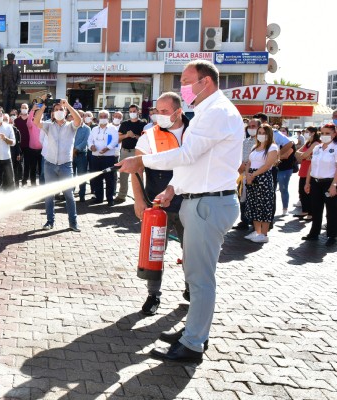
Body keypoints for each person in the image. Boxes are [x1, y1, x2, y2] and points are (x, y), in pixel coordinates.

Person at [117, 60, 242, 363]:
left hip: (208, 203)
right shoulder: (206, 112)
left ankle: (193, 343)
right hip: (199, 200)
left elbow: (187, 154)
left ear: (206, 82)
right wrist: (173, 189)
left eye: (187, 81)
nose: (183, 87)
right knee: (195, 274)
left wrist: (142, 162)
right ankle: (193, 331)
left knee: (200, 280)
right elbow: (197, 162)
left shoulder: (216, 112)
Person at [132, 92, 190, 315]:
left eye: (165, 112)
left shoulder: (193, 132)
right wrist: (138, 200)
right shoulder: (149, 135)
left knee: (191, 251)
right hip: (157, 203)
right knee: (154, 251)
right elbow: (137, 168)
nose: (159, 116)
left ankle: (190, 290)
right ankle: (153, 295)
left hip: (188, 201)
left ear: (178, 111)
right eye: (157, 111)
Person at [33, 98, 83, 232]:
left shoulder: (71, 126)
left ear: (66, 112)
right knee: (49, 195)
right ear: (53, 113)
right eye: (56, 109)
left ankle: (73, 222)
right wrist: (43, 106)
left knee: (69, 195)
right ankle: (50, 221)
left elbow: (79, 120)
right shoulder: (49, 125)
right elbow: (36, 122)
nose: (59, 111)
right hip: (49, 164)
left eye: (61, 109)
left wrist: (68, 104)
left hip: (65, 165)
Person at [303, 123, 337, 246]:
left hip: (329, 182)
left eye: (328, 133)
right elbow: (311, 166)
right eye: (322, 133)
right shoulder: (317, 148)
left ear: (334, 134)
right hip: (315, 182)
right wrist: (307, 182)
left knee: (331, 211)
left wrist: (334, 185)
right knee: (316, 209)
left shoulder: (335, 148)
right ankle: (314, 233)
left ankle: (332, 235)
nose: (324, 136)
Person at [244, 124, 279, 243]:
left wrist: (253, 175)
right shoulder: (255, 147)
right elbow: (249, 162)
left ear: (269, 134)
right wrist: (248, 174)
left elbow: (268, 165)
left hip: (263, 178)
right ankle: (257, 231)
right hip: (252, 178)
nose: (261, 135)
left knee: (264, 205)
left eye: (264, 133)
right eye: (259, 132)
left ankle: (264, 234)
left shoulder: (272, 147)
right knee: (253, 204)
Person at [115, 104, 147, 204]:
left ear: (138, 112)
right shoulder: (124, 124)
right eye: (131, 111)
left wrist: (134, 136)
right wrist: (126, 135)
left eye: (134, 111)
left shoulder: (143, 125)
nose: (132, 113)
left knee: (138, 175)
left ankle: (139, 198)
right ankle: (121, 195)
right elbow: (118, 139)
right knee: (123, 174)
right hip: (124, 151)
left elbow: (145, 139)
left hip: (136, 152)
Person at [88, 110, 119, 205]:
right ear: (98, 118)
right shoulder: (94, 129)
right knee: (97, 179)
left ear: (108, 118)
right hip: (96, 157)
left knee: (109, 179)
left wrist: (107, 148)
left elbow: (115, 141)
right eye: (101, 116)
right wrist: (91, 146)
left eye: (105, 116)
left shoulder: (113, 128)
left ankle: (110, 199)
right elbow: (89, 140)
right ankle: (99, 197)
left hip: (108, 157)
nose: (103, 118)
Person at [234, 118, 260, 231]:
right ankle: (244, 220)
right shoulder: (245, 141)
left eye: (254, 126)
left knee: (254, 199)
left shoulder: (262, 142)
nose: (251, 128)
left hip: (256, 174)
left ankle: (255, 224)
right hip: (243, 174)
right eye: (249, 126)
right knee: (242, 198)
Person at [295, 127, 320, 220]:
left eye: (307, 132)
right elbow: (297, 153)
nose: (305, 133)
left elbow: (303, 155)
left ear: (313, 133)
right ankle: (305, 210)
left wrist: (304, 155)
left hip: (310, 171)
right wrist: (305, 155)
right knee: (301, 192)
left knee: (308, 192)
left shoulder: (316, 143)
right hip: (303, 170)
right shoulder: (307, 143)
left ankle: (311, 213)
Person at [275, 127, 296, 215]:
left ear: (287, 133)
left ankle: (285, 208)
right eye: (281, 131)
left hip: (285, 169)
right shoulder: (277, 143)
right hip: (275, 169)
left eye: (284, 131)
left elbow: (286, 155)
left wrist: (273, 156)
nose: (282, 132)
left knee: (283, 189)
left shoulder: (290, 144)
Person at [73, 110, 90, 202]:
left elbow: (85, 142)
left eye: (81, 115)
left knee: (81, 176)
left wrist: (76, 149)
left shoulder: (87, 129)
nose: (79, 117)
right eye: (77, 115)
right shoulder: (70, 127)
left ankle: (82, 195)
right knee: (70, 176)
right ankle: (70, 194)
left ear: (83, 117)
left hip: (81, 155)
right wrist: (71, 151)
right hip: (70, 154)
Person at [26, 103, 44, 186]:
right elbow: (28, 121)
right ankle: (33, 185)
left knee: (42, 169)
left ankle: (41, 184)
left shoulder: (45, 124)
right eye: (37, 114)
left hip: (42, 150)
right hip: (32, 150)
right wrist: (32, 110)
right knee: (32, 168)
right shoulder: (31, 124)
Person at [14, 103, 32, 187]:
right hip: (19, 145)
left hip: (29, 144)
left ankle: (25, 180)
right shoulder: (16, 120)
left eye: (25, 107)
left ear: (28, 109)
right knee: (18, 163)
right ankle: (18, 179)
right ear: (20, 109)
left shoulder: (31, 119)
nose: (24, 109)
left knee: (27, 163)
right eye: (22, 107)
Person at [8, 110, 23, 187]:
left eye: (14, 114)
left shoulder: (15, 130)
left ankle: (16, 184)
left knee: (15, 168)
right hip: (6, 152)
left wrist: (18, 153)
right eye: (11, 115)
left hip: (14, 152)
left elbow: (18, 143)